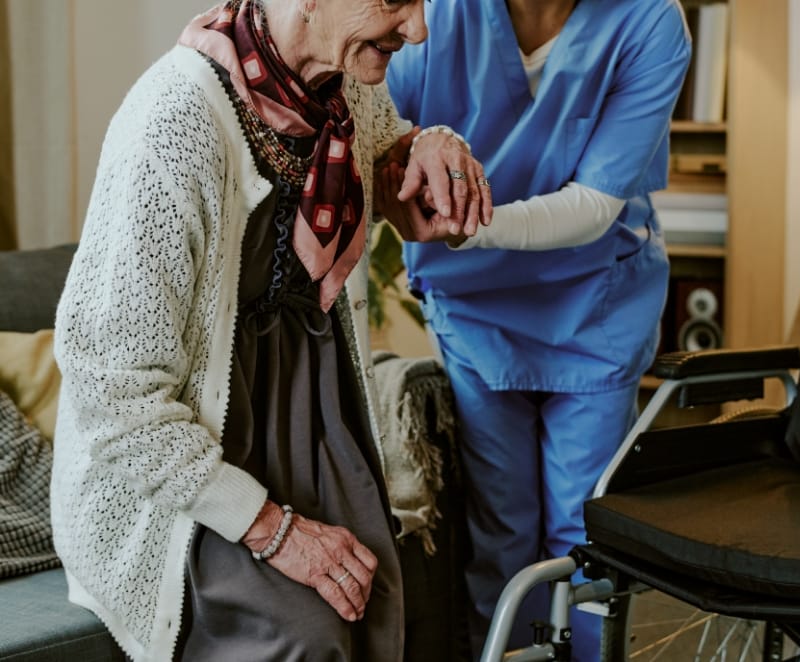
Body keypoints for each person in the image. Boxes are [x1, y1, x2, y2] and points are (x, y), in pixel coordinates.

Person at [48, 1, 492, 661]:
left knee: (380, 602)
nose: (418, 29)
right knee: (300, 637)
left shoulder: (342, 94)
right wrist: (275, 531)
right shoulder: (173, 122)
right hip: (187, 468)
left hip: (310, 421)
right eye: (396, 0)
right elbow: (110, 391)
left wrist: (426, 144)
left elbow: (385, 151)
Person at [384, 0, 692, 659]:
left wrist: (468, 229)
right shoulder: (433, 15)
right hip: (474, 312)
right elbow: (370, 122)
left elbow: (592, 206)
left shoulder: (646, 23)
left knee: (583, 536)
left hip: (593, 307)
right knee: (499, 530)